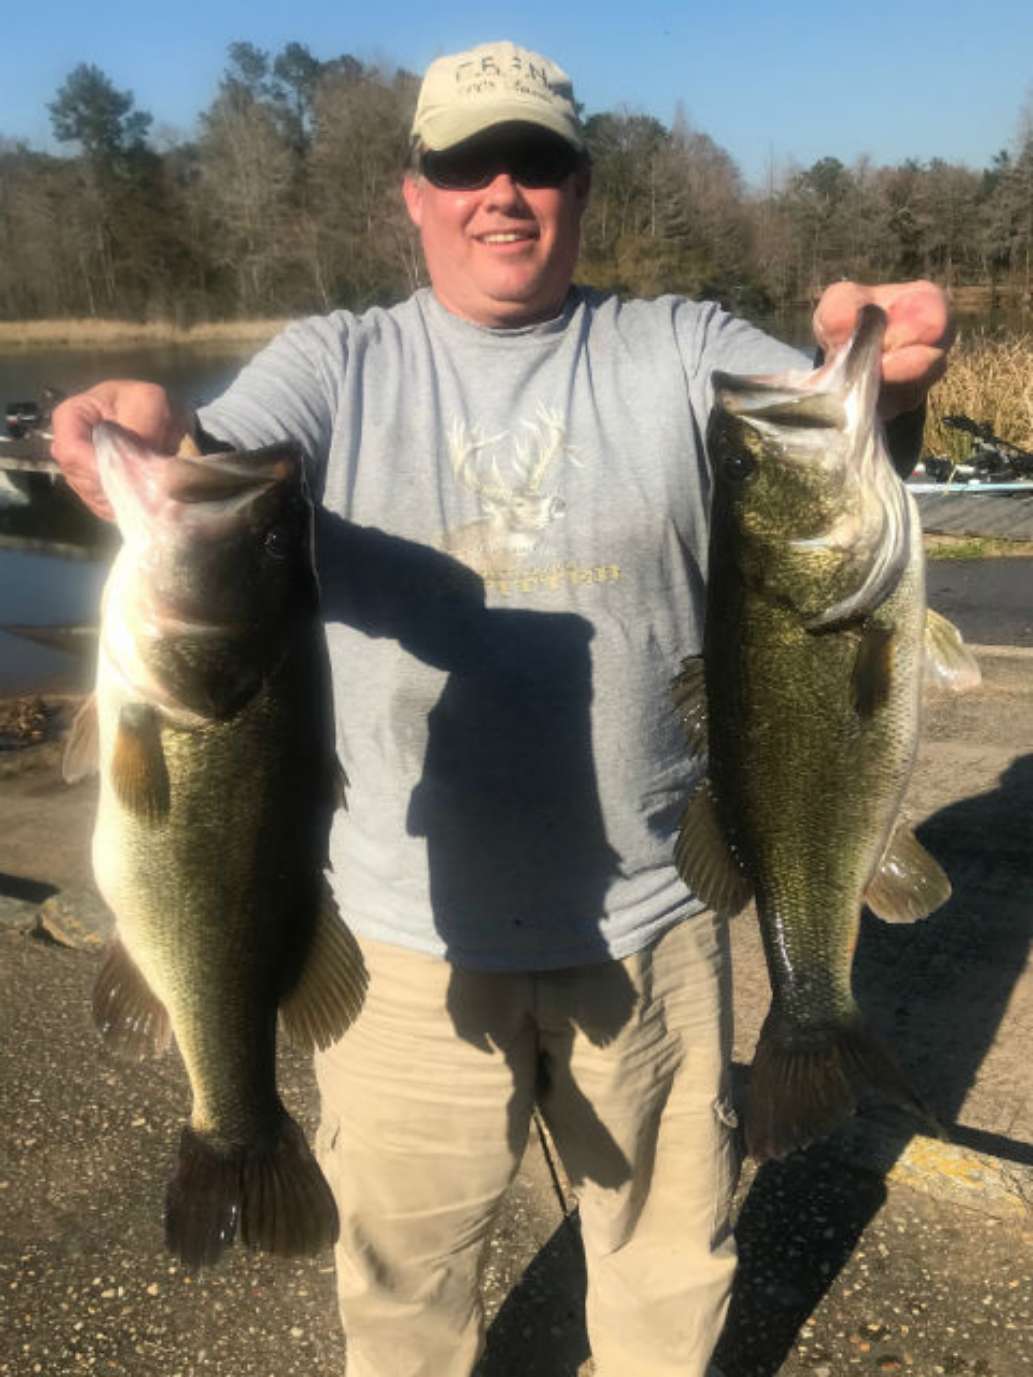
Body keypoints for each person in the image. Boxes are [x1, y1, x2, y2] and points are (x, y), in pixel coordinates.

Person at [52, 40, 954, 1377]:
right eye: (467, 163)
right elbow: (213, 464)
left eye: (535, 160)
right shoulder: (335, 362)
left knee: (668, 1269)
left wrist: (890, 369)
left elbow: (832, 425)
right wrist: (149, 438)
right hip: (401, 947)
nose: (502, 192)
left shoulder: (680, 343)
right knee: (405, 1299)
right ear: (414, 192)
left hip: (654, 927)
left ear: (580, 186)